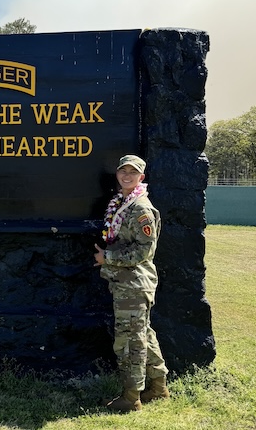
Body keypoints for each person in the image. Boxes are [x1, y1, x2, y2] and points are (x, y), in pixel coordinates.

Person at [93, 154, 170, 412]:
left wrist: (108, 258)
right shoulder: (122, 202)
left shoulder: (141, 208)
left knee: (130, 341)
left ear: (141, 177)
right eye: (123, 171)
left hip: (135, 285)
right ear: (117, 174)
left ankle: (131, 396)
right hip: (126, 283)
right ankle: (158, 388)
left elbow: (143, 252)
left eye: (133, 172)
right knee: (144, 335)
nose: (127, 175)